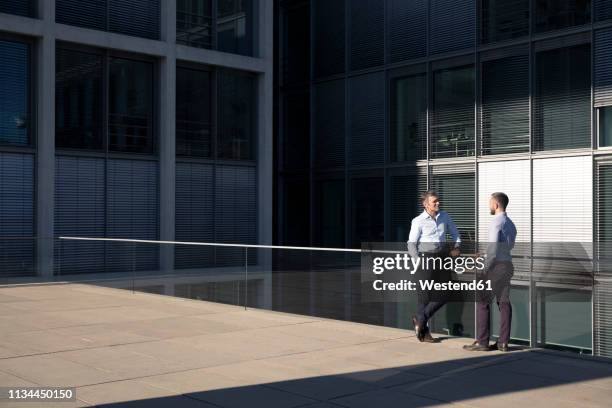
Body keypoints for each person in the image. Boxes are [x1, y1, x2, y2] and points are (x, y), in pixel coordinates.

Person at [464, 192, 517, 352]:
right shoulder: (511, 224)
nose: (489, 206)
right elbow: (506, 247)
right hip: (507, 265)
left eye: (490, 203)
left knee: (482, 301)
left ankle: (482, 342)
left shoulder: (496, 222)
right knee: (504, 302)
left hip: (495, 267)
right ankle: (503, 343)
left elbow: (493, 250)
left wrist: (484, 267)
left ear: (496, 204)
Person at [408, 190, 461, 343]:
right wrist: (418, 261)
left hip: (443, 258)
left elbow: (456, 234)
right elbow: (411, 244)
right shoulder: (418, 220)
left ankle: (420, 318)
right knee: (424, 298)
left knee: (447, 292)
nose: (438, 203)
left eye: (438, 200)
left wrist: (457, 246)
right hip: (426, 259)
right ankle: (425, 333)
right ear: (426, 204)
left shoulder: (445, 216)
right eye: (434, 201)